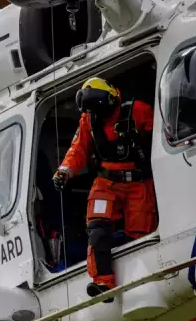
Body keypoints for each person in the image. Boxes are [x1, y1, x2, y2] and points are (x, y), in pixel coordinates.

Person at [52, 77, 157, 301]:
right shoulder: (88, 120)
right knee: (97, 227)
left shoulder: (138, 110)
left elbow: (160, 134)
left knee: (139, 234)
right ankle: (103, 282)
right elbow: (77, 150)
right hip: (106, 182)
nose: (96, 115)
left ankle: (140, 278)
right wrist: (64, 171)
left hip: (138, 182)